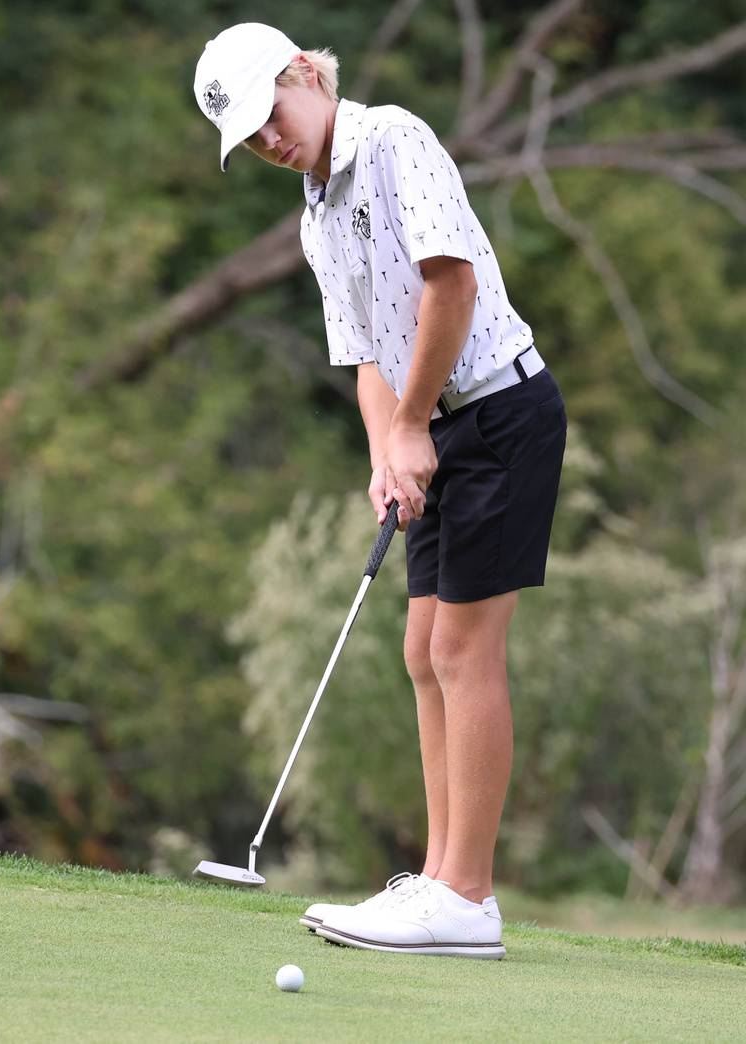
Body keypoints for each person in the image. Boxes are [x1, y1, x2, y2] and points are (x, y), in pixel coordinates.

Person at [194, 23, 567, 959]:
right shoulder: (316, 214)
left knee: (463, 646)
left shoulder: (393, 138)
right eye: (251, 140)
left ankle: (467, 896)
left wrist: (410, 428)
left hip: (501, 412)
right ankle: (437, 879)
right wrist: (383, 451)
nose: (271, 143)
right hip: (433, 428)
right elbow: (364, 351)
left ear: (304, 75)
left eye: (270, 115)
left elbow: (452, 286)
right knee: (419, 648)